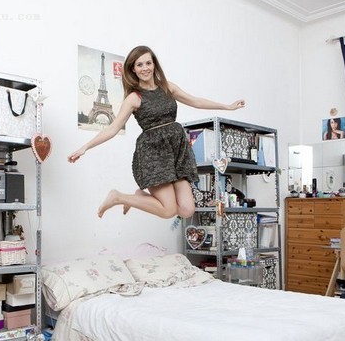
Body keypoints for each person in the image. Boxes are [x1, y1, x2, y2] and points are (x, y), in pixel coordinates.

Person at [68, 45, 246, 219]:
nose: (145, 68)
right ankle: (118, 197)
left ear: (154, 64)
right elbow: (113, 128)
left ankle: (139, 197)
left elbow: (196, 101)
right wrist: (85, 147)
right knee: (168, 211)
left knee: (187, 210)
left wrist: (227, 107)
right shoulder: (134, 98)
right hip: (154, 154)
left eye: (148, 63)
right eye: (139, 65)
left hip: (176, 150)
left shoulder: (167, 87)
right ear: (133, 69)